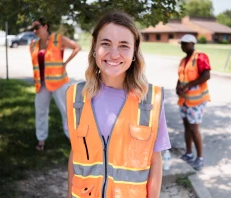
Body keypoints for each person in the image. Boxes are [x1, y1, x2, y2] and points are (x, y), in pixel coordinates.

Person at [66, 11, 171, 198]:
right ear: (94, 48)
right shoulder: (76, 97)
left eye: (124, 46)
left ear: (134, 52)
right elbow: (76, 154)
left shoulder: (150, 100)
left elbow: (155, 161)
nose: (114, 54)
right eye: (105, 44)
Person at [29, 18, 81, 151]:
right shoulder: (33, 45)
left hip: (59, 82)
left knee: (66, 111)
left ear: (45, 26)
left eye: (37, 27)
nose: (35, 31)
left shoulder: (58, 39)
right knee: (40, 111)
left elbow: (76, 47)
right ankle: (41, 139)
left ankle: (72, 138)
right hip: (42, 84)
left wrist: (65, 63)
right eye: (33, 29)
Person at [176, 34, 211, 170]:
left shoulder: (200, 57)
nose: (182, 46)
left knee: (194, 128)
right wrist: (178, 87)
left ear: (192, 44)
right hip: (184, 99)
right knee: (186, 126)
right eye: (182, 43)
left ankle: (200, 158)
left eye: (185, 43)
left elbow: (206, 75)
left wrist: (189, 85)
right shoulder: (183, 60)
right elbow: (180, 77)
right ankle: (189, 153)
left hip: (197, 100)